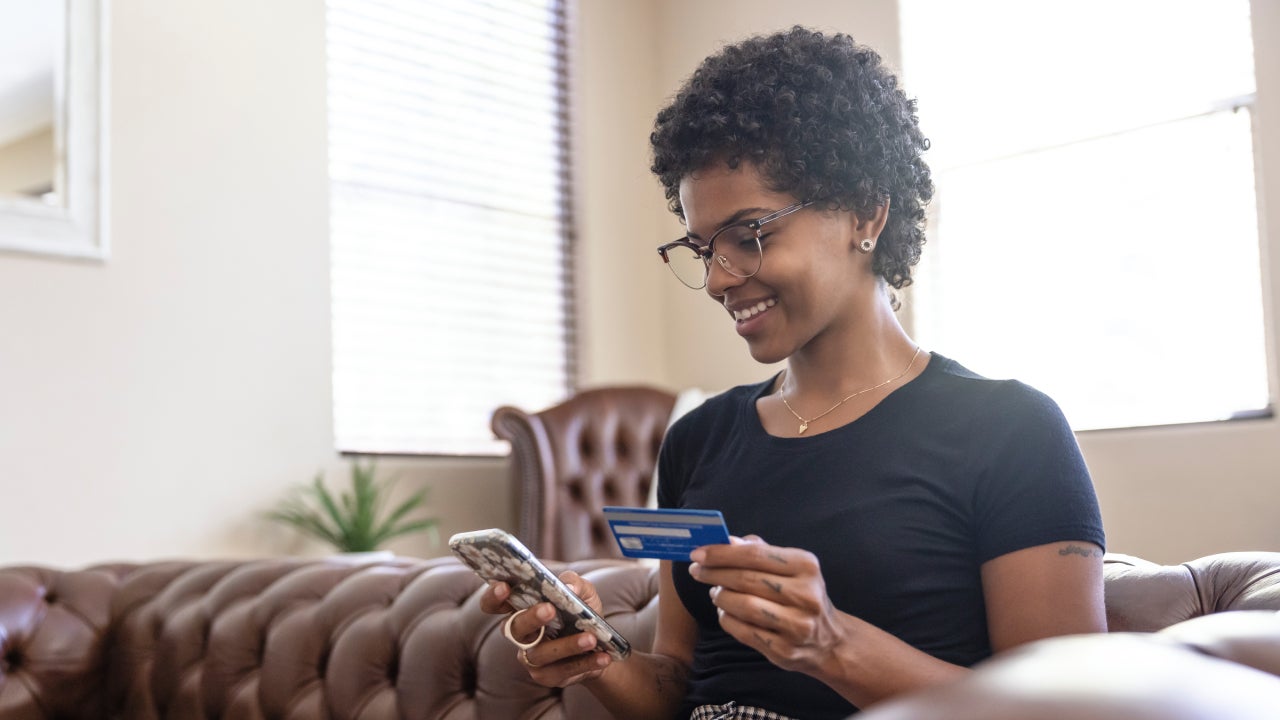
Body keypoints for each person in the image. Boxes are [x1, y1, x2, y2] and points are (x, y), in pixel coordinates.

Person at [481, 26, 1106, 720]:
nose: (719, 279)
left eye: (750, 237)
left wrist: (830, 644)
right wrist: (597, 656)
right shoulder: (700, 438)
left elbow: (1062, 709)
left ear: (866, 213)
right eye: (702, 248)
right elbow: (681, 687)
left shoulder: (1011, 431)